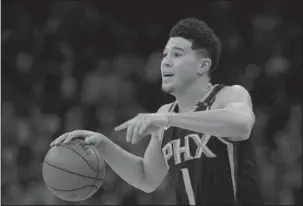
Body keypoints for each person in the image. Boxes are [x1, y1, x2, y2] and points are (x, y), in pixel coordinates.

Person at [50, 18, 263, 205]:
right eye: (164, 55)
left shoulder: (229, 95)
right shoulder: (166, 112)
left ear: (203, 65)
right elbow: (146, 178)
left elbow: (242, 125)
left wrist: (167, 119)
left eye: (177, 54)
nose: (165, 61)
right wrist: (103, 145)